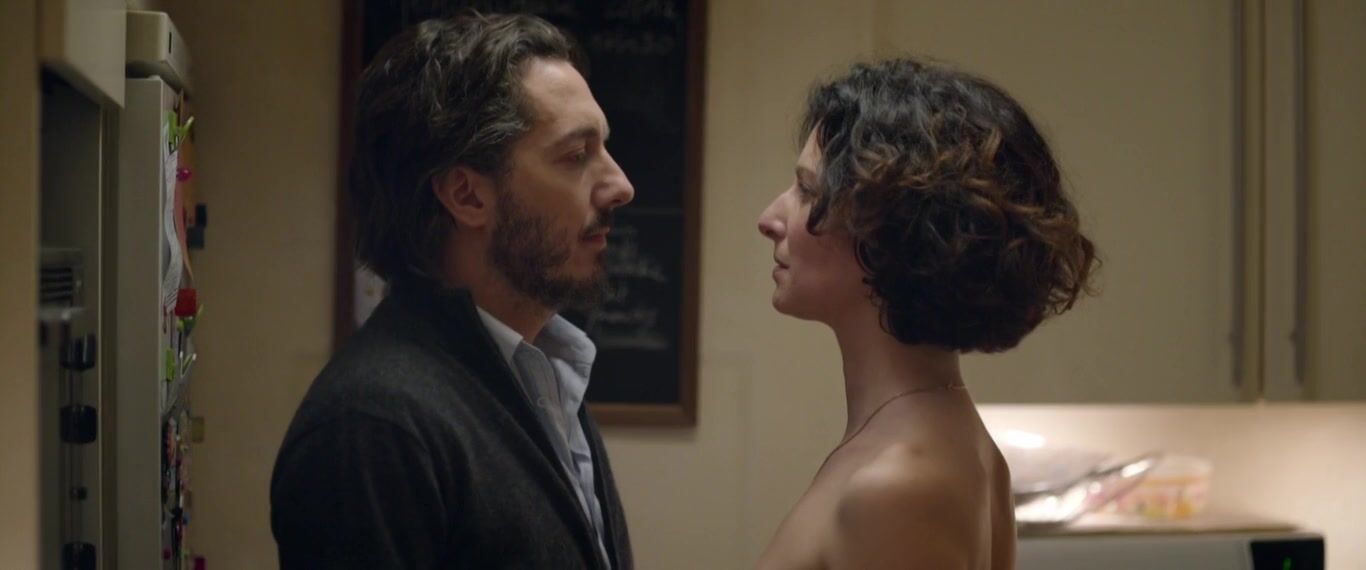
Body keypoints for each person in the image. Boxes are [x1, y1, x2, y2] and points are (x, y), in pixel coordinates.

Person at [270, 13, 635, 569]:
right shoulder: (372, 429)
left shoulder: (542, 375)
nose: (620, 185)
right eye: (576, 155)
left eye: (604, 148)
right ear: (466, 196)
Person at [756, 57, 1098, 569]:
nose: (769, 218)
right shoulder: (945, 437)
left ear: (888, 229)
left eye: (807, 190)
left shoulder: (899, 484)